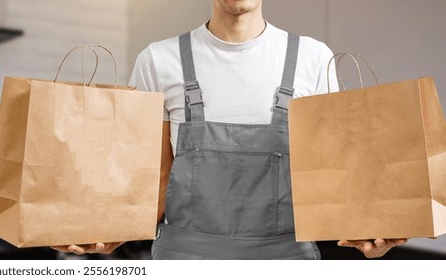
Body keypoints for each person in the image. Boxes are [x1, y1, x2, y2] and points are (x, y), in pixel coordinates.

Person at [52, 0, 408, 259]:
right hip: (184, 259)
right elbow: (153, 176)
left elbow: (336, 174)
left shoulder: (314, 59)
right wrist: (101, 229)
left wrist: (369, 231)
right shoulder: (158, 60)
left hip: (285, 260)